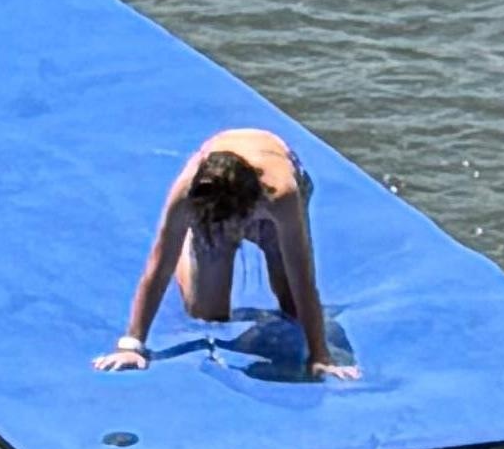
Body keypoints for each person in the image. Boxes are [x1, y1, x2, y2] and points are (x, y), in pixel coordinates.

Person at [102, 127, 350, 373]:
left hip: (264, 184)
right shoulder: (188, 193)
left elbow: (302, 277)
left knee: (292, 305)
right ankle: (188, 239)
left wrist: (320, 355)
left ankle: (217, 231)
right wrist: (132, 344)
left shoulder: (281, 194)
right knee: (207, 313)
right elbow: (158, 268)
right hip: (215, 201)